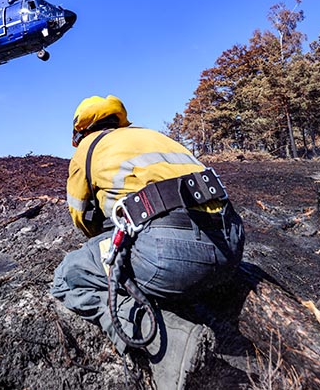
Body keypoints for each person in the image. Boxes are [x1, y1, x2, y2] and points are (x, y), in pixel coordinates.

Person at [51, 95, 245, 388]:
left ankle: (167, 340)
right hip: (231, 240)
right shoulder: (152, 135)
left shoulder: (88, 149)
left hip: (170, 255)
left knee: (66, 278)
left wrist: (105, 244)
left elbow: (79, 215)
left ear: (80, 132)